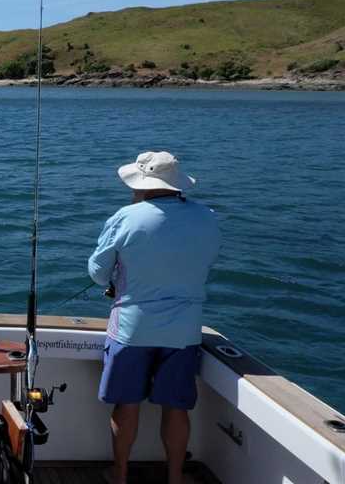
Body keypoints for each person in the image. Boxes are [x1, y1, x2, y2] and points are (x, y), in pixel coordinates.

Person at [88, 151, 220, 484]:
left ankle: (119, 476)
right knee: (176, 408)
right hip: (184, 332)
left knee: (126, 405)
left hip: (132, 329)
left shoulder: (126, 217)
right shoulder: (207, 217)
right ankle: (175, 478)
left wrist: (116, 280)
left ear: (142, 186)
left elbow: (97, 272)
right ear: (176, 186)